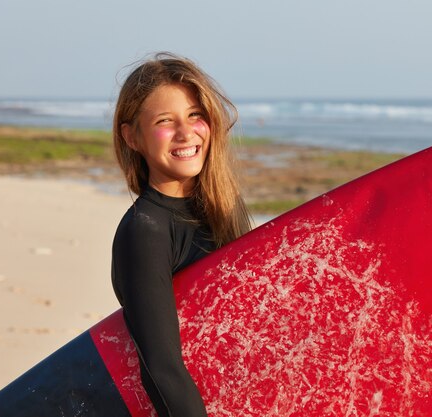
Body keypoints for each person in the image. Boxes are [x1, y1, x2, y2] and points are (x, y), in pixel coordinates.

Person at [110, 52, 251, 417]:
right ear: (132, 137)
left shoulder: (225, 209)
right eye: (164, 121)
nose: (186, 133)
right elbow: (163, 372)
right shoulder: (145, 231)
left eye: (195, 115)